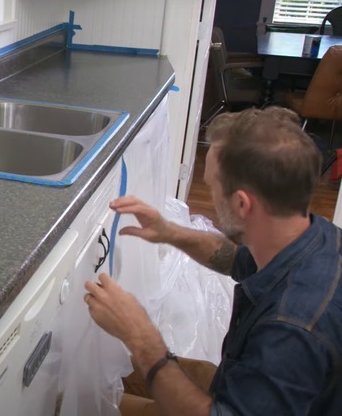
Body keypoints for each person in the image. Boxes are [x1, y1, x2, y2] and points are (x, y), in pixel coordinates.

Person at [83, 106, 342, 415]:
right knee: (114, 376)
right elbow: (236, 260)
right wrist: (168, 232)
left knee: (83, 406)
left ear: (243, 204)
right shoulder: (316, 237)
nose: (210, 191)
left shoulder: (292, 331)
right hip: (250, 387)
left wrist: (140, 337)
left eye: (212, 186)